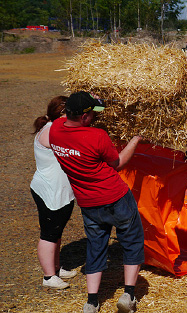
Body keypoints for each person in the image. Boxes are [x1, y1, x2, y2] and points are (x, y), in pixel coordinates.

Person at [49, 91, 145, 313]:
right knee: (131, 241)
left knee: (95, 247)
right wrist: (136, 139)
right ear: (83, 117)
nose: (94, 117)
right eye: (92, 113)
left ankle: (91, 302)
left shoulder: (55, 130)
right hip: (116, 197)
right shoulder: (97, 136)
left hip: (88, 203)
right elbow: (117, 162)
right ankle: (128, 295)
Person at [30, 96, 77, 290]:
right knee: (49, 234)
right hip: (49, 190)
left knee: (57, 231)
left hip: (58, 190)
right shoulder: (50, 131)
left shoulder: (54, 128)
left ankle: (56, 268)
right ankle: (49, 276)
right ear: (63, 114)